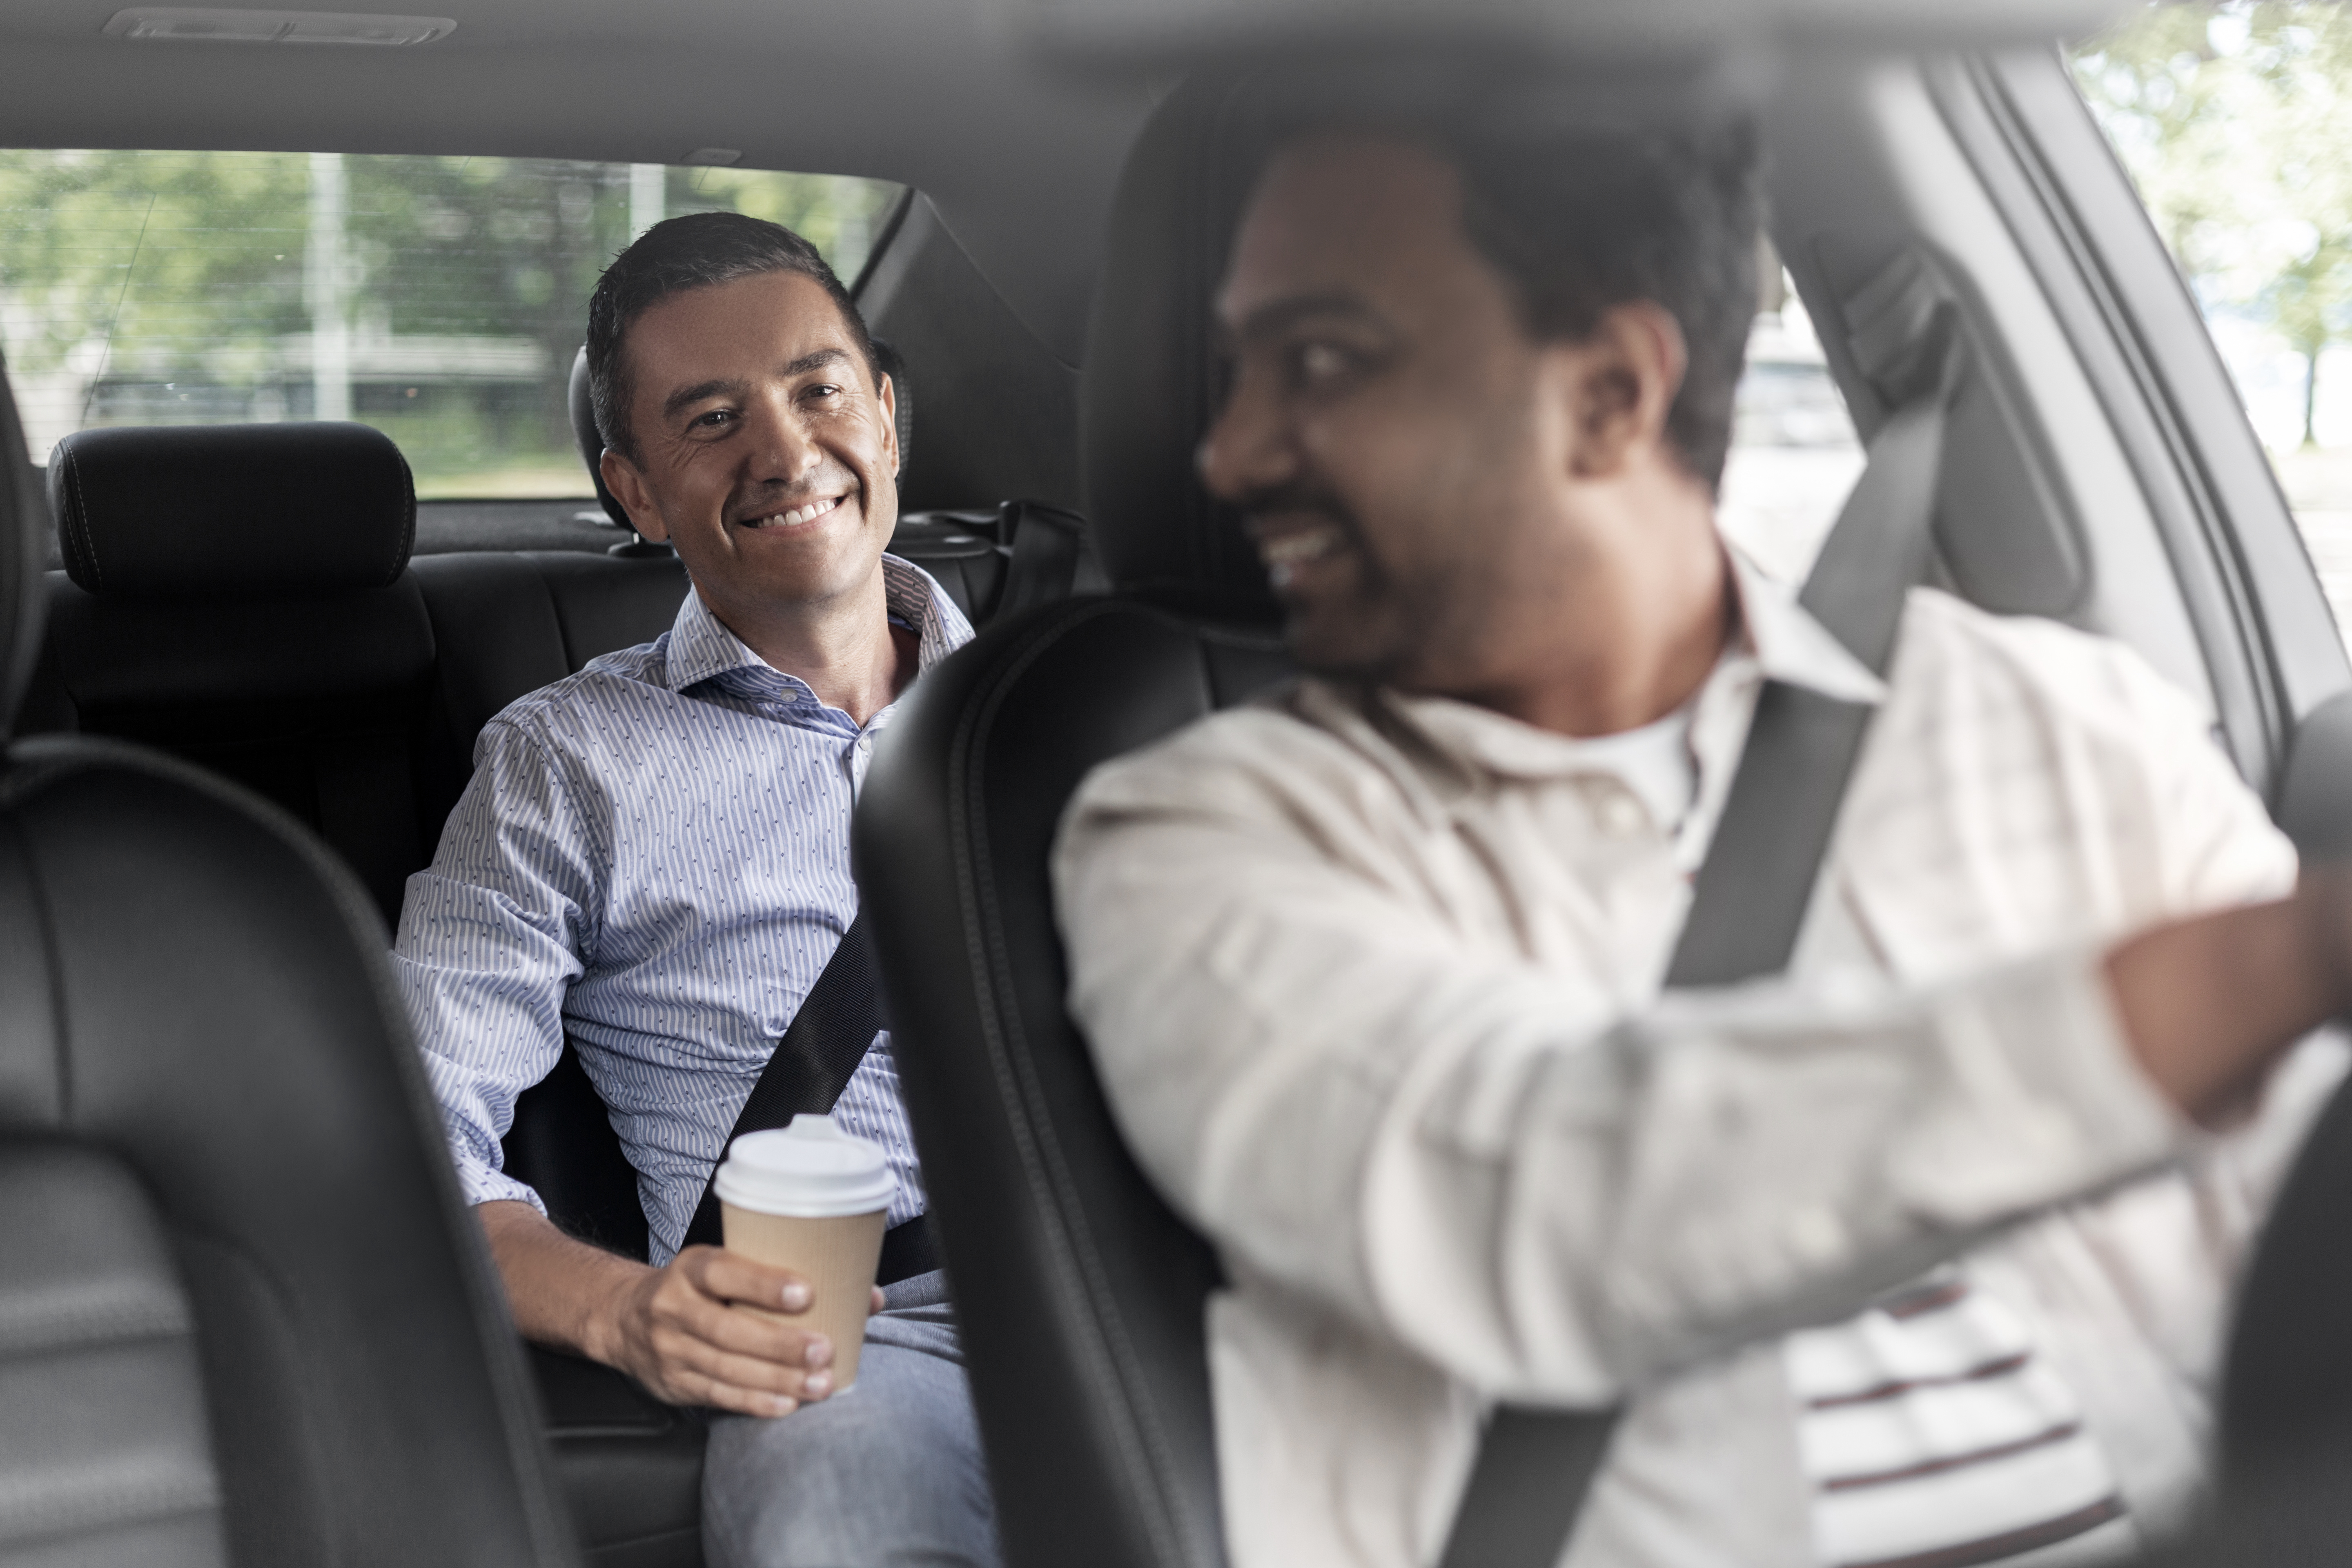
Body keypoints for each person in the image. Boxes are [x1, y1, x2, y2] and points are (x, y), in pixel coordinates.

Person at [1050, 103, 2352, 1568]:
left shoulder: (2059, 721)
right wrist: (2272, 965)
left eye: (1326, 363)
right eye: (1238, 371)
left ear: (1610, 391)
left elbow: (2311, 1206)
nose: (1227, 453)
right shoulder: (1197, 838)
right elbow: (1547, 1191)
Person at [394, 212, 997, 1568]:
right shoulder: (563, 761)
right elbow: (401, 1142)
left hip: (1164, 1282)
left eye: (818, 391)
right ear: (638, 492)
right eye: (711, 419)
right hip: (852, 1347)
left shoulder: (1062, 703)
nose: (785, 453)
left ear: (886, 418)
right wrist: (626, 1313)